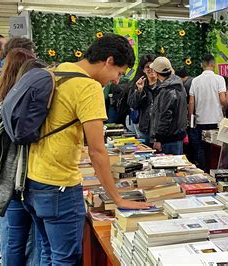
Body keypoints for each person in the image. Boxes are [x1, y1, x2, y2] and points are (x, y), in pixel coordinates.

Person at [23, 34, 152, 265]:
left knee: (48, 252)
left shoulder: (58, 70)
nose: (115, 80)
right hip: (60, 185)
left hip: (32, 180)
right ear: (109, 60)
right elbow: (97, 151)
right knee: (66, 258)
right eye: (119, 73)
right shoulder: (88, 87)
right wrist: (117, 198)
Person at [0, 56, 44, 266]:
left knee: (13, 238)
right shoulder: (30, 102)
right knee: (36, 241)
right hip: (28, 179)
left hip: (7, 179)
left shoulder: (2, 97)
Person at [189, 54, 227, 169]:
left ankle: (203, 171)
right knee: (216, 148)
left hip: (201, 120)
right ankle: (215, 171)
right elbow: (223, 99)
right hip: (216, 120)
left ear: (202, 65)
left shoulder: (195, 81)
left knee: (201, 148)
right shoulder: (219, 79)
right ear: (213, 64)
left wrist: (191, 118)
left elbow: (191, 102)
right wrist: (224, 109)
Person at [148, 56, 187, 155]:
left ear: (156, 72)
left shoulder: (167, 90)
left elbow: (165, 116)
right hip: (176, 136)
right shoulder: (178, 84)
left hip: (168, 140)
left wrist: (159, 139)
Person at [127, 54, 157, 145]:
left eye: (153, 66)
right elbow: (132, 104)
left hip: (160, 130)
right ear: (143, 70)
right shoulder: (139, 84)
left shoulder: (164, 85)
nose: (151, 69)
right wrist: (139, 90)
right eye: (147, 67)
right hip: (145, 129)